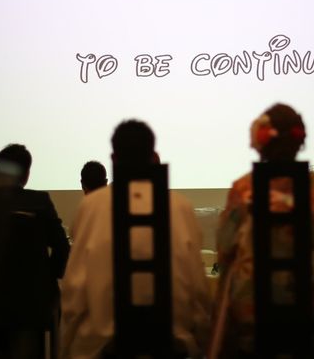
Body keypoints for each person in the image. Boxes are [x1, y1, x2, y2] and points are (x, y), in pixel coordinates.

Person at [60, 120, 211, 359]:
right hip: (173, 348)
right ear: (154, 156)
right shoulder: (180, 207)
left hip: (104, 350)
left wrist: (68, 348)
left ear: (113, 159)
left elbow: (74, 293)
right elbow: (199, 293)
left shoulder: (91, 207)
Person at [210, 103, 314, 359]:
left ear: (260, 141)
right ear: (299, 141)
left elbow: (224, 249)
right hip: (310, 308)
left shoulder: (242, 189)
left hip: (249, 308)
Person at [0, 144, 71, 359]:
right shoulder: (40, 201)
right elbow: (62, 247)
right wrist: (48, 275)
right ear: (26, 174)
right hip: (34, 300)